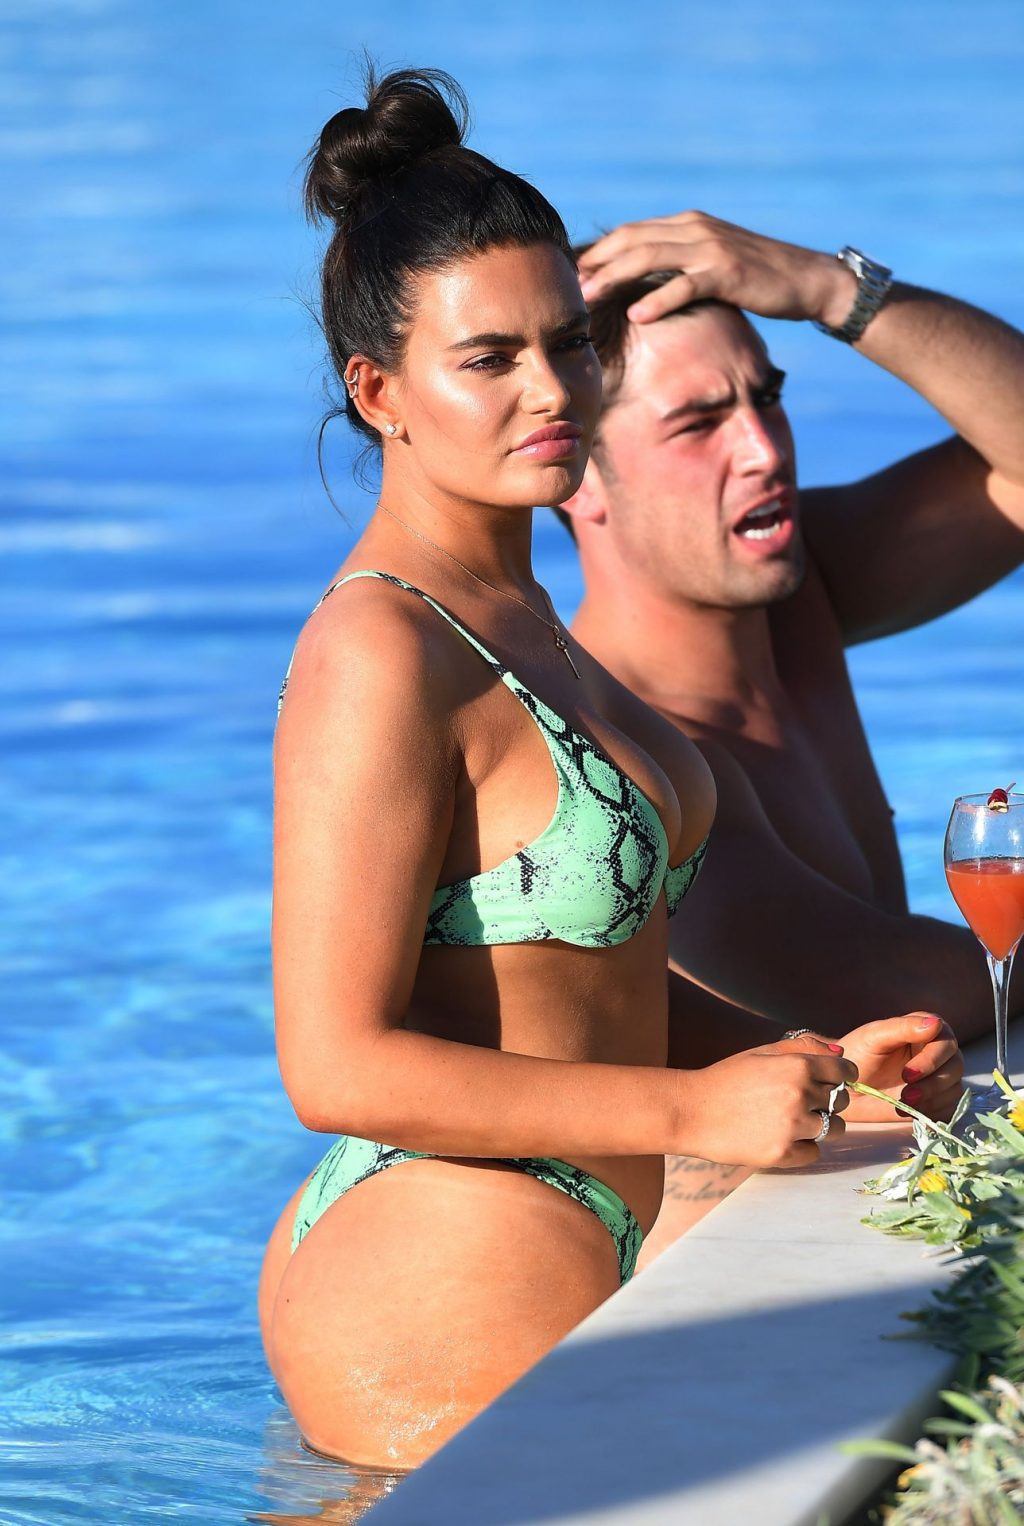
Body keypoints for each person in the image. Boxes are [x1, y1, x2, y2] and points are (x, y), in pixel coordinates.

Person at [257, 74, 960, 1471]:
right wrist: (694, 1110)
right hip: (439, 1253)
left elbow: (574, 976)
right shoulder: (380, 646)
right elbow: (333, 1064)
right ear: (380, 392)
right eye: (489, 358)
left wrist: (809, 1066)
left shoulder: (522, 621)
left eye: (568, 343)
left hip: (576, 1209)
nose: (551, 390)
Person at [559, 212, 1024, 1049]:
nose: (763, 450)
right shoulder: (623, 751)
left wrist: (834, 291)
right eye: (698, 423)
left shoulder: (799, 591)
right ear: (576, 476)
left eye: (767, 399)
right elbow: (898, 994)